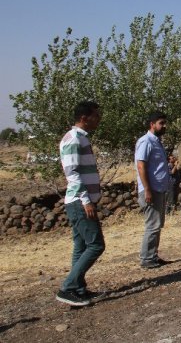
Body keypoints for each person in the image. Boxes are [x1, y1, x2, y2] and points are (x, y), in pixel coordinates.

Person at [56, 101, 105, 306]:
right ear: (84, 118)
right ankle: (67, 287)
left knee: (81, 245)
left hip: (80, 201)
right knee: (96, 245)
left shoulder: (81, 138)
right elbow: (72, 173)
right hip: (79, 201)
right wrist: (86, 200)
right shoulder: (73, 139)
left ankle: (78, 289)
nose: (98, 119)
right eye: (95, 115)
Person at [135, 111, 172, 268]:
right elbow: (141, 165)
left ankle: (153, 256)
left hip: (159, 189)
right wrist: (147, 189)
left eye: (164, 123)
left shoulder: (156, 142)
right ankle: (147, 259)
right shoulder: (146, 142)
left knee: (157, 224)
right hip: (151, 190)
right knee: (152, 225)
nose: (164, 126)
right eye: (161, 123)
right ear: (152, 124)